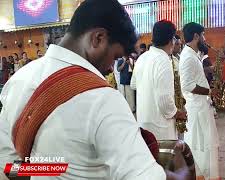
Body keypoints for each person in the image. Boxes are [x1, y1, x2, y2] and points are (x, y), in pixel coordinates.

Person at [0, 0, 190, 179]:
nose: (110, 68)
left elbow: (9, 164)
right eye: (115, 57)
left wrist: (57, 170)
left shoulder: (18, 80)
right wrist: (181, 175)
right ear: (98, 38)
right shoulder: (103, 99)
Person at [131, 20, 187, 140]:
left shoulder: (142, 57)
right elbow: (165, 101)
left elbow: (134, 85)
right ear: (171, 40)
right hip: (161, 128)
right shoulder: (163, 60)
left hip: (143, 124)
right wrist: (178, 113)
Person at [179, 22, 220, 180]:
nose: (204, 39)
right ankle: (202, 174)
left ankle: (205, 174)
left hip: (201, 105)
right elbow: (187, 85)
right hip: (196, 108)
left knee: (204, 142)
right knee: (200, 144)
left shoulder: (192, 55)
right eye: (203, 35)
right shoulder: (188, 56)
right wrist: (210, 91)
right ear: (196, 36)